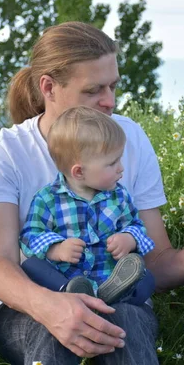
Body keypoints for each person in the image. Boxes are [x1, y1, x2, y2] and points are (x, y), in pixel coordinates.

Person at [0, 21, 184, 364]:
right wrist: (51, 307)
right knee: (49, 332)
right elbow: (0, 263)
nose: (109, 101)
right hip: (29, 305)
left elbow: (155, 262)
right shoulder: (5, 150)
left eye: (113, 86)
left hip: (119, 298)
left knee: (125, 323)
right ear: (49, 88)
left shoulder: (129, 138)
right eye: (93, 90)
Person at [19, 106, 155, 305]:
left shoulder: (119, 196)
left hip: (109, 277)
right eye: (112, 163)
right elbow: (30, 237)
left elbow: (136, 225)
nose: (121, 168)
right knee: (31, 265)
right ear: (79, 172)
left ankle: (116, 293)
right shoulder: (47, 199)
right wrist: (56, 248)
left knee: (147, 279)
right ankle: (71, 291)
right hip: (65, 277)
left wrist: (129, 238)